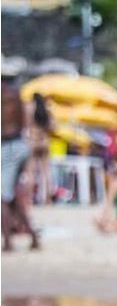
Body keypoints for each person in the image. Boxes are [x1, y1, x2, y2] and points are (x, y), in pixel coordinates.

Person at [2, 70, 39, 252]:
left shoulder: (2, 95)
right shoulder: (18, 95)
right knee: (13, 196)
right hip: (21, 144)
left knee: (3, 198)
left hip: (7, 146)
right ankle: (33, 236)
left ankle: (8, 242)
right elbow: (26, 125)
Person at [26, 92, 52, 204]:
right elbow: (52, 126)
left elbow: (26, 125)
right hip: (45, 141)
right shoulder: (47, 110)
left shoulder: (30, 109)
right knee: (45, 172)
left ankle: (30, 198)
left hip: (33, 141)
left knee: (31, 171)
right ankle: (48, 198)